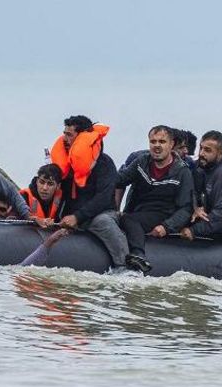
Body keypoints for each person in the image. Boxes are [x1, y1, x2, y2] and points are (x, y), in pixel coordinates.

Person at [51, 115, 131, 272]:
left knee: (102, 222)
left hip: (101, 213)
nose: (64, 139)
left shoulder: (104, 163)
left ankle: (124, 266)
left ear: (81, 137)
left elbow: (103, 197)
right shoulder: (66, 163)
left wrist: (77, 217)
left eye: (69, 135)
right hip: (72, 216)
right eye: (64, 133)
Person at [112, 126, 194, 272]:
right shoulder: (142, 162)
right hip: (140, 212)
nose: (157, 146)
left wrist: (166, 227)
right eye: (153, 141)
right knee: (123, 218)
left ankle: (138, 255)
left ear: (171, 145)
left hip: (163, 215)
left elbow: (186, 208)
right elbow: (120, 180)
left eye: (162, 141)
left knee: (129, 219)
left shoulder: (182, 171)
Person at [180, 130, 222, 240]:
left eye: (207, 150)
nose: (201, 154)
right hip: (203, 217)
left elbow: (221, 215)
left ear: (220, 153)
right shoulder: (201, 166)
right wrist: (195, 207)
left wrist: (193, 230)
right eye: (201, 148)